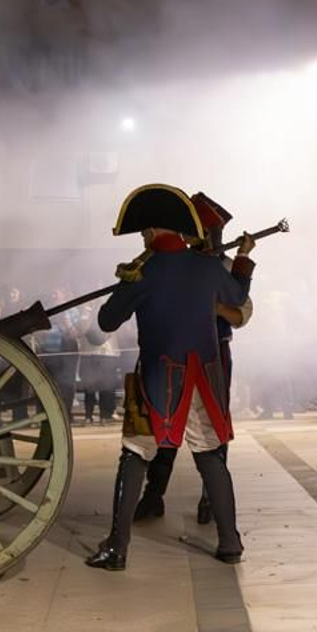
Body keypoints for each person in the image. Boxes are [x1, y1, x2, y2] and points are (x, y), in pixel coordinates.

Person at [85, 186, 254, 572]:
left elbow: (106, 323)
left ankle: (117, 547)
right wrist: (242, 259)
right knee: (210, 456)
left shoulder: (142, 271)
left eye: (144, 230)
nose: (142, 236)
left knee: (135, 454)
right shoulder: (209, 266)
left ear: (152, 231)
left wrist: (129, 285)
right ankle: (230, 541)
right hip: (205, 377)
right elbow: (238, 292)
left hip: (159, 381)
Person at [134, 193, 253, 523]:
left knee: (213, 427)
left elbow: (241, 314)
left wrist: (211, 305)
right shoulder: (171, 263)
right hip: (170, 353)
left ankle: (210, 499)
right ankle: (153, 494)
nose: (209, 239)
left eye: (213, 233)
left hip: (215, 354)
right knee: (163, 425)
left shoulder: (223, 267)